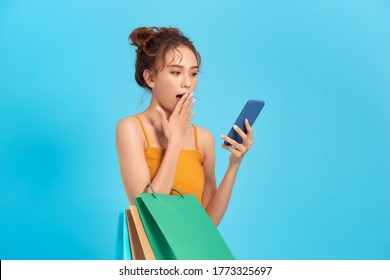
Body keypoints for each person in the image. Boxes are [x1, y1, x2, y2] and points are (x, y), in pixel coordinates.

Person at [116, 27, 254, 226]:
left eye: (194, 73)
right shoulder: (131, 129)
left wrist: (234, 163)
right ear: (150, 78)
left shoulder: (204, 139)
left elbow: (209, 223)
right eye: (175, 72)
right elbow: (148, 215)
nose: (187, 83)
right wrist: (175, 142)